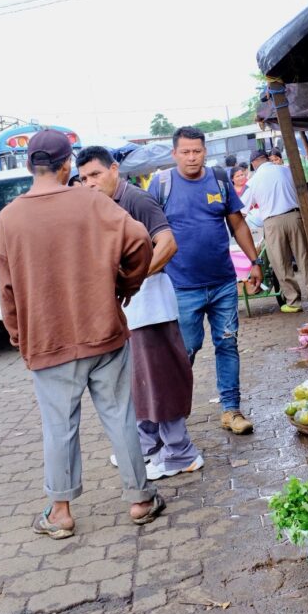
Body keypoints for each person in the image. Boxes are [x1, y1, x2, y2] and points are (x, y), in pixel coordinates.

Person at [0, 130, 164, 537]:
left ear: (30, 166)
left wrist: (19, 337)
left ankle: (61, 513)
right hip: (102, 330)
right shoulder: (92, 201)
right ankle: (140, 500)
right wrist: (126, 284)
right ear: (68, 164)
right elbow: (141, 240)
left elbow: (7, 291)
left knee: (58, 426)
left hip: (47, 340)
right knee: (120, 416)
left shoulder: (8, 220)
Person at [76, 146, 203, 480]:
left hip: (152, 309)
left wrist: (132, 278)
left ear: (114, 169)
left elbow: (167, 244)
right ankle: (148, 445)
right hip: (131, 312)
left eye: (96, 174)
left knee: (161, 381)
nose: (90, 182)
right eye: (84, 177)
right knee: (139, 383)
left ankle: (181, 452)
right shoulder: (100, 205)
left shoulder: (137, 200)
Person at [148, 127, 262, 435]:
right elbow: (147, 233)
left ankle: (231, 410)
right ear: (174, 154)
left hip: (224, 282)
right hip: (182, 286)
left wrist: (254, 262)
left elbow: (237, 223)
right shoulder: (161, 184)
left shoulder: (219, 180)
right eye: (185, 151)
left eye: (197, 151)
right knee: (186, 350)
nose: (191, 157)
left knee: (227, 344)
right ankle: (172, 414)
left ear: (204, 152)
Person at [242, 148, 308, 313]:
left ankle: (293, 301)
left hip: (272, 223)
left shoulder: (253, 181)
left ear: (254, 163)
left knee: (280, 262)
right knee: (305, 257)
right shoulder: (286, 171)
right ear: (267, 158)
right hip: (295, 217)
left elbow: (242, 209)